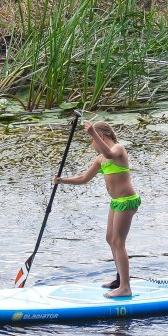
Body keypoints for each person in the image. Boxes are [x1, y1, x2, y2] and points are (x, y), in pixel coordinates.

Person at [54, 120, 141, 298]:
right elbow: (84, 178)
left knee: (118, 242)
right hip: (116, 202)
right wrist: (62, 180)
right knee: (110, 238)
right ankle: (119, 280)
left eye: (92, 139)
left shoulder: (118, 149)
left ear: (101, 135)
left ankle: (125, 287)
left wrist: (92, 131)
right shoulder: (100, 159)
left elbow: (109, 153)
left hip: (127, 201)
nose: (91, 143)